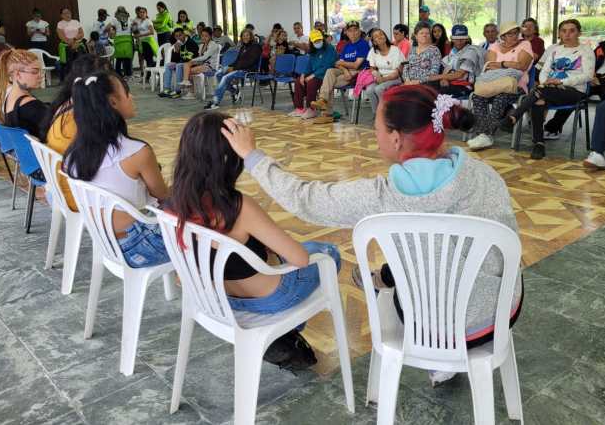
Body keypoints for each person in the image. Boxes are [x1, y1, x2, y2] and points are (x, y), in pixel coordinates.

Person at [222, 84, 523, 386]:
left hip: (437, 328)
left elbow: (305, 199)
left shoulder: (383, 197)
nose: (374, 135)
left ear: (395, 138)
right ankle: (388, 279)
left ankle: (430, 348)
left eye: (376, 128)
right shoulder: (484, 174)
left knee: (401, 268)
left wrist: (251, 155)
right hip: (500, 312)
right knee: (437, 249)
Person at [168, 112, 338, 365]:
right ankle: (286, 333)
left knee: (274, 252)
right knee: (326, 252)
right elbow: (300, 259)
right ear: (229, 158)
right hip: (269, 299)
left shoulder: (174, 202)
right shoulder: (238, 207)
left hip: (220, 299)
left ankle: (284, 338)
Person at [63, 72, 170, 269]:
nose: (132, 97)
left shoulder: (73, 155)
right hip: (140, 245)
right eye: (127, 92)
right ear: (113, 102)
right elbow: (163, 195)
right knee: (210, 225)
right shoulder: (136, 151)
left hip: (106, 241)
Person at [507, 19, 594, 160]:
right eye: (564, 31)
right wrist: (545, 82)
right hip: (550, 89)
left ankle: (515, 116)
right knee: (538, 100)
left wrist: (561, 81)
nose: (567, 34)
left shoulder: (586, 50)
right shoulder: (555, 50)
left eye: (572, 31)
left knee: (539, 93)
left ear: (579, 33)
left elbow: (588, 76)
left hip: (574, 91)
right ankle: (539, 143)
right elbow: (544, 71)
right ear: (559, 33)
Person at [41, 55, 112, 212]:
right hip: (76, 196)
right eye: (107, 78)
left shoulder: (65, 104)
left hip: (58, 190)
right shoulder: (81, 118)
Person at [544, 15, 605, 139]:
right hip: (591, 80)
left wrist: (602, 80)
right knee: (572, 94)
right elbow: (587, 65)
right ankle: (553, 128)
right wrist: (591, 77)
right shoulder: (601, 47)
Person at [466, 22, 534, 151]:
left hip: (515, 87)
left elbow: (522, 66)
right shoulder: (494, 46)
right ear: (502, 36)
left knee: (500, 98)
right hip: (493, 84)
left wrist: (501, 64)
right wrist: (511, 65)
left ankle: (487, 135)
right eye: (510, 34)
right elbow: (489, 66)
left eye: (516, 33)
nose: (514, 36)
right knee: (477, 96)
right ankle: (483, 134)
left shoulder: (525, 44)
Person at [310, 21, 370, 119]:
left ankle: (326, 113)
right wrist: (345, 70)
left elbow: (356, 65)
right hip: (346, 72)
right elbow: (337, 64)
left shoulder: (363, 44)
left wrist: (343, 65)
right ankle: (323, 101)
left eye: (355, 30)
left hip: (359, 73)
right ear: (347, 33)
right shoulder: (347, 46)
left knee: (329, 82)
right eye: (350, 31)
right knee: (330, 71)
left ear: (359, 31)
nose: (353, 33)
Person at [0, 49, 49, 138]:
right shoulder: (31, 106)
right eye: (35, 72)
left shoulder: (9, 98)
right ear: (18, 75)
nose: (41, 75)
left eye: (41, 71)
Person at [204, 28, 262, 109]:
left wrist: (234, 68)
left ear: (251, 36)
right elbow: (237, 61)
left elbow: (250, 62)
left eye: (247, 35)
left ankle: (215, 102)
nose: (245, 37)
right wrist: (229, 66)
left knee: (225, 77)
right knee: (218, 73)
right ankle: (234, 91)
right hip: (239, 68)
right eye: (243, 36)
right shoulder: (243, 47)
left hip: (249, 70)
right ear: (241, 37)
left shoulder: (256, 47)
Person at [290, 29, 337, 119]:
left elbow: (328, 65)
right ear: (311, 42)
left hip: (324, 75)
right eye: (315, 41)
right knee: (298, 81)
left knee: (311, 83)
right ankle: (299, 108)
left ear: (322, 39)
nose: (317, 42)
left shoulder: (330, 48)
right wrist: (303, 74)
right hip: (314, 74)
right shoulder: (313, 51)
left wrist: (313, 75)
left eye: (319, 40)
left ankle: (311, 109)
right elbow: (309, 65)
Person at [434, 24, 484, 98]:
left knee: (440, 93)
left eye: (462, 39)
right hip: (451, 83)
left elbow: (459, 74)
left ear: (467, 39)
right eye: (456, 39)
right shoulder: (453, 52)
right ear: (452, 39)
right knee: (430, 88)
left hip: (466, 85)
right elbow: (446, 68)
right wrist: (443, 79)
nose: (459, 41)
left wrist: (436, 77)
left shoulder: (471, 52)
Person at [362, 29, 404, 112]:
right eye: (376, 36)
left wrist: (383, 79)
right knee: (369, 90)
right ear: (374, 42)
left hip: (395, 78)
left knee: (379, 89)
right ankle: (376, 113)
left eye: (381, 34)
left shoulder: (395, 50)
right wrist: (377, 75)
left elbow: (398, 72)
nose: (380, 37)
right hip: (380, 78)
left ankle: (385, 113)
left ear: (385, 36)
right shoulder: (373, 51)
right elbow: (372, 68)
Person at [158, 28, 203, 99]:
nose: (178, 38)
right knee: (168, 65)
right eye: (176, 36)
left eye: (180, 35)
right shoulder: (178, 43)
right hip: (182, 63)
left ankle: (178, 91)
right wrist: (176, 51)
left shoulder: (191, 43)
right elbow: (174, 60)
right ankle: (167, 89)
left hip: (191, 63)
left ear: (184, 34)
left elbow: (191, 58)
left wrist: (180, 61)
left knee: (178, 65)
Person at [56, 8, 85, 81]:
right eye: (65, 13)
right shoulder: (60, 24)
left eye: (68, 12)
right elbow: (61, 36)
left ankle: (80, 79)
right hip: (67, 45)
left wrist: (74, 39)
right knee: (69, 64)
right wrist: (70, 43)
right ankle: (69, 80)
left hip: (77, 44)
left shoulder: (76, 22)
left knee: (80, 62)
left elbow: (81, 33)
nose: (67, 14)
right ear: (61, 15)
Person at [132, 6, 158, 75]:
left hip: (148, 42)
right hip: (141, 42)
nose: (141, 13)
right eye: (140, 12)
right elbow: (136, 31)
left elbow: (152, 32)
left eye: (143, 12)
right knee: (144, 58)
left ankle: (151, 74)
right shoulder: (138, 21)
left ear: (146, 13)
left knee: (149, 59)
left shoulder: (148, 21)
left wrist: (139, 35)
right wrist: (136, 36)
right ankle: (145, 73)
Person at [112, 6, 135, 77]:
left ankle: (118, 73)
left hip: (118, 40)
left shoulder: (115, 20)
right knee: (127, 58)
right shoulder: (130, 19)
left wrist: (112, 32)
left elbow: (109, 28)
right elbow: (134, 29)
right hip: (128, 40)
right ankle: (128, 73)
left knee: (119, 58)